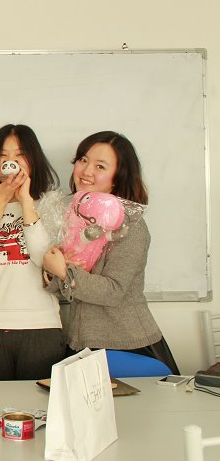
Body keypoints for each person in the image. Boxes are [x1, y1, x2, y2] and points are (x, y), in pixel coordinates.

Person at [43, 131, 180, 374]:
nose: (86, 171)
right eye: (83, 160)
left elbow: (113, 291)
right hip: (82, 341)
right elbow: (70, 285)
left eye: (100, 166)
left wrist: (64, 271)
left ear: (118, 177)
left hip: (127, 346)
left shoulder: (131, 227)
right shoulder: (74, 219)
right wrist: (52, 272)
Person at [0, 124, 65, 380]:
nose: (11, 162)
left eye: (19, 155)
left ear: (33, 159)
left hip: (41, 323)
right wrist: (0, 201)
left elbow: (44, 258)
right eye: (4, 155)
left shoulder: (51, 204)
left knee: (38, 404)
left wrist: (26, 201)